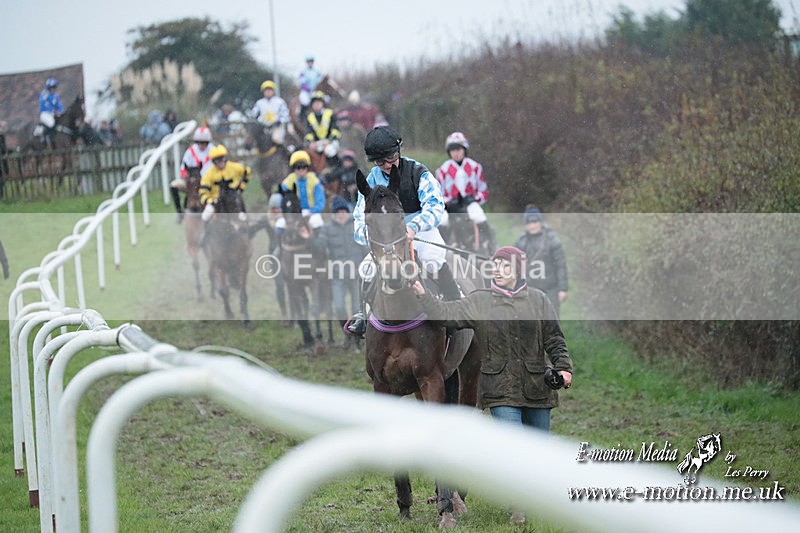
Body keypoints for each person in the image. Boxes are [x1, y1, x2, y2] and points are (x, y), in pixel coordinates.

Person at [411, 245, 573, 524]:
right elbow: (444, 313)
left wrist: (563, 367)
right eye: (495, 266)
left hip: (537, 387)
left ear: (518, 270)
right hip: (500, 388)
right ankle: (518, 507)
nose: (498, 270)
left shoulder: (538, 300)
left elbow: (554, 339)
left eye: (504, 266)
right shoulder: (480, 301)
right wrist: (424, 296)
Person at [347, 125, 460, 337]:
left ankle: (455, 307)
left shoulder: (419, 172)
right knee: (366, 269)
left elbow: (435, 206)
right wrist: (372, 236)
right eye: (381, 162)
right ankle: (363, 315)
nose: (387, 165)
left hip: (418, 228)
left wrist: (414, 227)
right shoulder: (371, 179)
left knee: (432, 258)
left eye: (391, 158)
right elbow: (358, 218)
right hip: (385, 235)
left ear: (399, 151)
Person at [319, 195, 365, 349]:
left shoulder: (356, 225)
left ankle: (356, 340)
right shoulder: (327, 228)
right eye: (338, 211)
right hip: (337, 274)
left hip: (356, 274)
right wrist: (310, 239)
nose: (341, 213)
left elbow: (365, 246)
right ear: (334, 213)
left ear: (348, 210)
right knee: (339, 307)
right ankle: (346, 333)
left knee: (356, 308)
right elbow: (320, 247)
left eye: (343, 210)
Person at [514, 206, 569, 317]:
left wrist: (563, 289)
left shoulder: (552, 240)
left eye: (535, 221)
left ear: (540, 222)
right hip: (529, 289)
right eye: (529, 222)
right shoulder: (522, 241)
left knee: (551, 322)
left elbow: (561, 265)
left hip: (551, 289)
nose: (532, 225)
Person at [435, 131, 490, 234]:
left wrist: (473, 198)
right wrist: (448, 203)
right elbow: (438, 195)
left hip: (470, 204)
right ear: (449, 151)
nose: (456, 153)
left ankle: (490, 245)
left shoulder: (475, 167)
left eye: (459, 149)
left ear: (464, 149)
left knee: (479, 216)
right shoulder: (442, 170)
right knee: (442, 221)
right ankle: (442, 249)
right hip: (450, 207)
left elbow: (483, 192)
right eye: (452, 150)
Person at [170, 126, 215, 223]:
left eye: (204, 142)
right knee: (174, 185)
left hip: (209, 182)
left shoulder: (213, 151)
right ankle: (180, 212)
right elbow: (183, 168)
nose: (201, 145)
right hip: (192, 181)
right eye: (199, 142)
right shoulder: (191, 151)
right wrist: (186, 175)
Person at [199, 144, 251, 223]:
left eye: (222, 159)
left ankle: (246, 230)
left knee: (242, 217)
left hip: (233, 198)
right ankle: (206, 234)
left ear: (225, 159)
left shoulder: (235, 167)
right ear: (213, 162)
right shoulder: (208, 174)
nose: (220, 163)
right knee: (205, 216)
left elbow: (248, 172)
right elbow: (203, 192)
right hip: (216, 201)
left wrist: (241, 188)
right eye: (217, 161)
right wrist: (210, 201)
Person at [280, 150, 326, 230]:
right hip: (293, 213)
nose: (301, 169)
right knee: (279, 224)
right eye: (297, 167)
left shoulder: (314, 181)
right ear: (293, 168)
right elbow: (281, 200)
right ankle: (275, 242)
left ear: (307, 167)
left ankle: (320, 242)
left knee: (317, 221)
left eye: (303, 166)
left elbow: (320, 202)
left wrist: (311, 212)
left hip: (311, 212)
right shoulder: (288, 182)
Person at [303, 91, 341, 168]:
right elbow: (309, 133)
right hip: (318, 143)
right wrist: (309, 143)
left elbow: (336, 130)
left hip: (331, 141)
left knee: (329, 150)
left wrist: (329, 141)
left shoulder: (330, 113)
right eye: (314, 102)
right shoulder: (310, 117)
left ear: (322, 103)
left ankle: (336, 169)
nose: (316, 104)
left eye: (318, 102)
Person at [250, 80, 291, 145]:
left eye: (270, 89)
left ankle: (286, 150)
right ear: (263, 92)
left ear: (273, 91)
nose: (268, 92)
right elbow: (253, 114)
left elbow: (286, 115)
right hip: (263, 127)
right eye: (266, 90)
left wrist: (280, 121)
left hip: (277, 127)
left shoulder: (280, 102)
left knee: (276, 138)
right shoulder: (259, 103)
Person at [38, 78, 64, 147]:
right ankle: (44, 136)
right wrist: (54, 111)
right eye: (52, 87)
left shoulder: (55, 96)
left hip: (53, 114)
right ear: (48, 88)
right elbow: (44, 105)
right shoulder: (44, 95)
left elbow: (59, 106)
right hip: (45, 114)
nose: (54, 89)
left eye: (54, 87)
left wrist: (61, 112)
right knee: (51, 123)